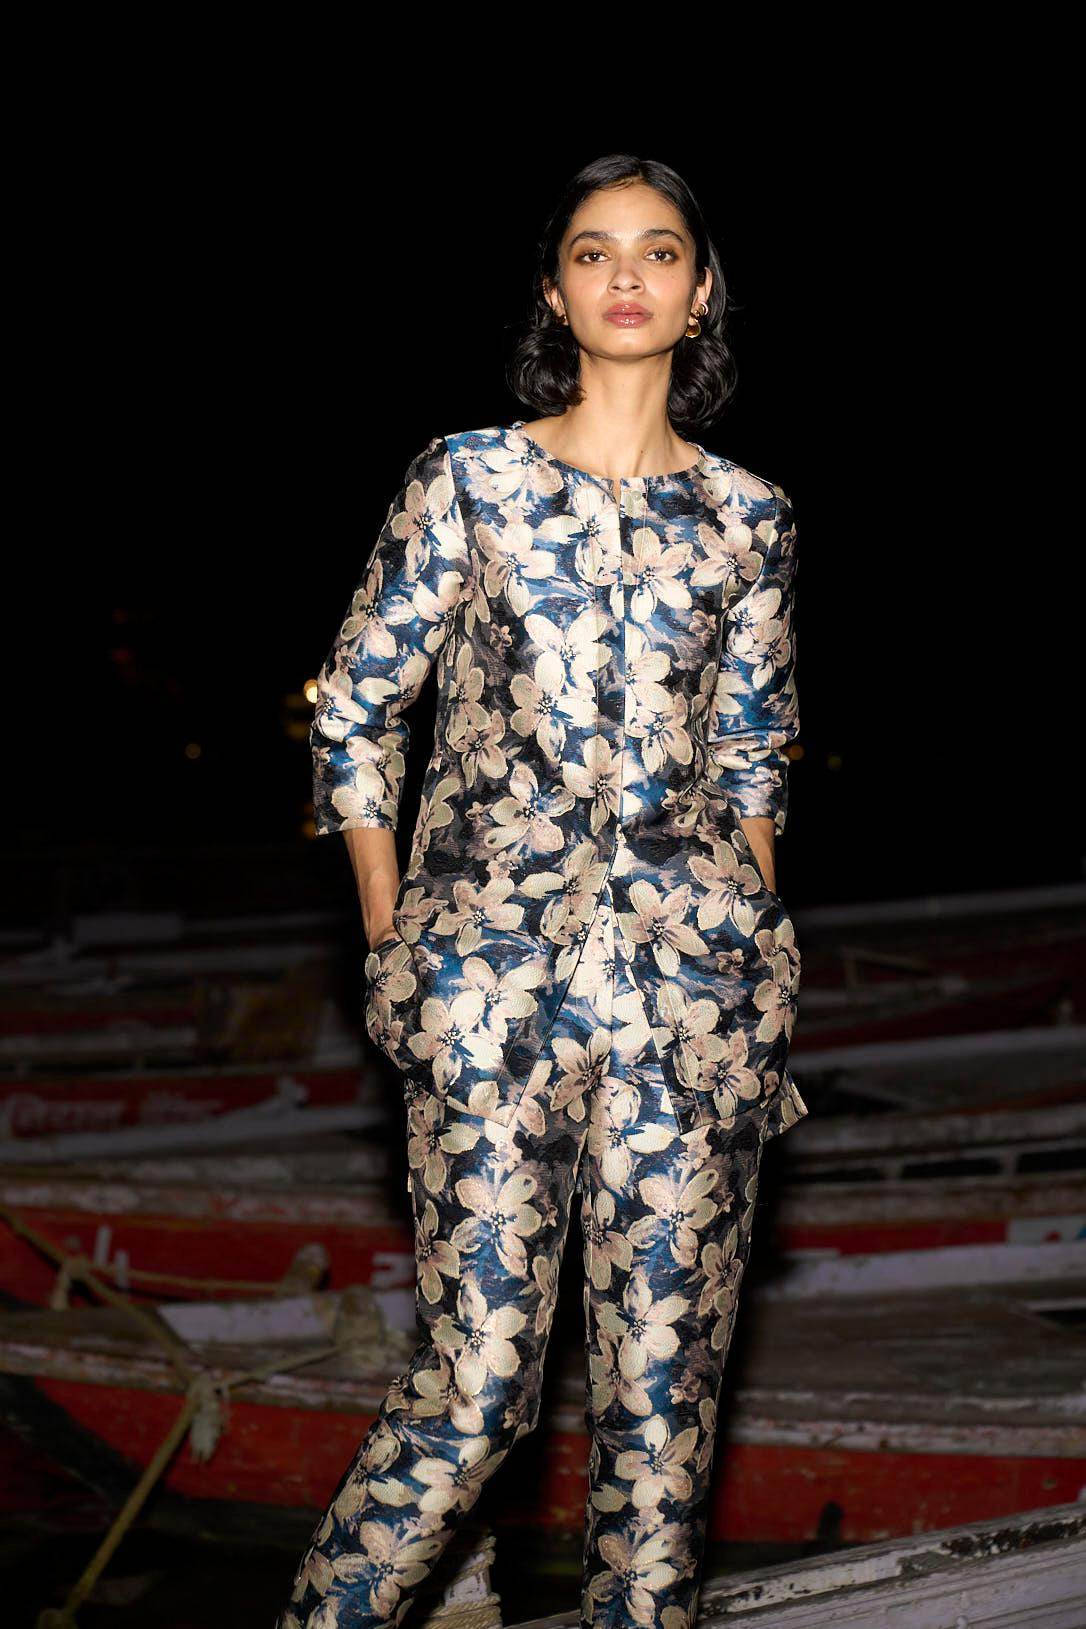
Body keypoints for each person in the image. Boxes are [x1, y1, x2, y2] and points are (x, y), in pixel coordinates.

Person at [278, 152, 808, 1629]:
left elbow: (754, 758)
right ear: (555, 292)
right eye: (592, 250)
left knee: (664, 1410)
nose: (626, 273)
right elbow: (354, 714)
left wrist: (756, 966)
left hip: (694, 1004)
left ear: (701, 294)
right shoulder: (469, 480)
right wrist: (395, 939)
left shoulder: (752, 518)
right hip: (489, 992)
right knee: (479, 1384)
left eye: (659, 250)